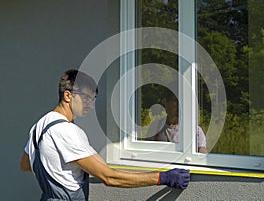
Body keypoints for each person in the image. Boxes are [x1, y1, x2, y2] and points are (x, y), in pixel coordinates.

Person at [20, 69, 190, 201]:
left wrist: (60, 170)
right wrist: (163, 177)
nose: (91, 105)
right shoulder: (68, 132)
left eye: (93, 99)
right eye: (87, 98)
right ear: (67, 95)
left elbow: (27, 165)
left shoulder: (39, 126)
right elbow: (109, 177)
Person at [146, 87, 207, 153]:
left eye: (182, 101)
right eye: (175, 101)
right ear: (165, 101)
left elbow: (202, 152)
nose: (180, 105)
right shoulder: (156, 126)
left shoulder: (194, 131)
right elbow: (146, 151)